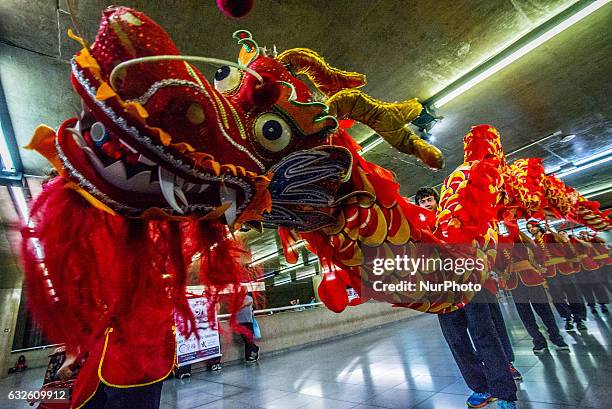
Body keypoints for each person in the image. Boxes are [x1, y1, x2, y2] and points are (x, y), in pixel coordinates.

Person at [416, 187, 518, 409]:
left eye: (429, 199)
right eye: (422, 201)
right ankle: (480, 388)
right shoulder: (416, 231)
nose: (426, 203)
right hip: (440, 294)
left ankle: (504, 392)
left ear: (437, 200)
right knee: (456, 340)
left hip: (471, 284)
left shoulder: (453, 218)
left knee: (484, 335)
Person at [527, 221, 587, 331]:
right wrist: (539, 268)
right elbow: (532, 259)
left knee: (574, 294)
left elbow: (564, 240)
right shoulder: (533, 243)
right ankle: (567, 317)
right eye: (529, 228)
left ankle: (579, 319)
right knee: (557, 297)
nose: (531, 229)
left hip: (565, 268)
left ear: (538, 227)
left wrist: (550, 230)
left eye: (533, 226)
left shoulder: (550, 236)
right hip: (549, 272)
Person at [236, 292, 260, 362]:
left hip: (248, 321)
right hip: (240, 322)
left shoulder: (248, 298)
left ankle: (248, 356)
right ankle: (255, 349)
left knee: (248, 339)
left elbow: (248, 303)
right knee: (246, 339)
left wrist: (239, 306)